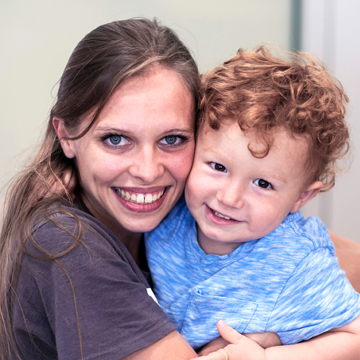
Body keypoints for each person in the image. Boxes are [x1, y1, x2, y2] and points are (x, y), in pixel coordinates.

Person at [0, 18, 358, 360]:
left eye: (172, 139)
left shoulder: (185, 210)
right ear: (66, 136)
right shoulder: (70, 242)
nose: (146, 171)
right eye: (114, 139)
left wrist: (276, 341)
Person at [145, 46, 360, 358]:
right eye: (218, 167)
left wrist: (267, 357)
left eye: (263, 183)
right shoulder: (170, 208)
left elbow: (355, 336)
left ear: (301, 197)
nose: (229, 198)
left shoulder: (295, 260)